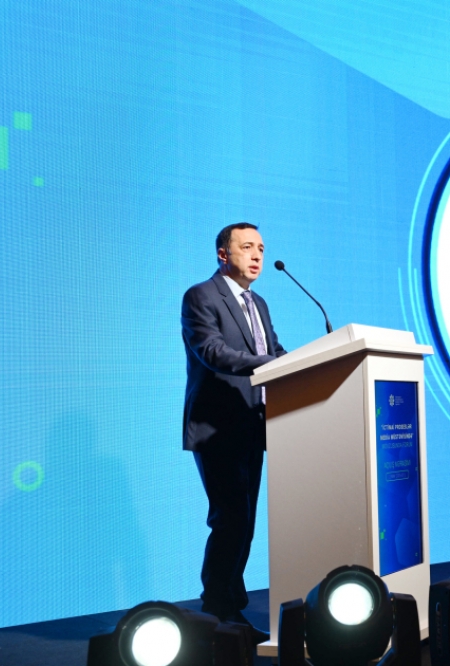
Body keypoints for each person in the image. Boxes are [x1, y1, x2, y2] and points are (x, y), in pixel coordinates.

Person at [181, 222, 285, 637]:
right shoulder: (201, 296)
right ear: (223, 254)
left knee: (245, 522)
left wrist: (308, 360)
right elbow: (212, 351)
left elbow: (274, 351)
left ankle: (230, 609)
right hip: (217, 427)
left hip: (252, 426)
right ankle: (217, 611)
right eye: (247, 247)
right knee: (229, 520)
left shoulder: (259, 304)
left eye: (261, 247)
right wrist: (271, 363)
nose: (257, 255)